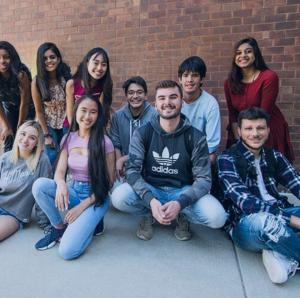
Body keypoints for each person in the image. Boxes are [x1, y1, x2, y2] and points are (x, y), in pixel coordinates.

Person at [111, 80, 227, 241]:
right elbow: (132, 171)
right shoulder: (143, 133)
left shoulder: (196, 137)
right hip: (151, 188)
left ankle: (182, 215)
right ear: (155, 104)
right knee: (119, 197)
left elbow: (204, 180)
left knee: (217, 217)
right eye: (162, 98)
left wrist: (181, 203)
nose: (167, 103)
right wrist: (150, 200)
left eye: (173, 97)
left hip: (182, 190)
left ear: (181, 102)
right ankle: (148, 213)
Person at [218, 107, 300, 284]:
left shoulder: (274, 156)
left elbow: (296, 183)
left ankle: (280, 252)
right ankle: (283, 243)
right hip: (247, 224)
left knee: (278, 223)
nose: (255, 134)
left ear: (268, 130)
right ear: (239, 131)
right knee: (268, 224)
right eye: (249, 128)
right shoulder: (227, 159)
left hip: (281, 212)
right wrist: (294, 221)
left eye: (260, 128)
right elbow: (247, 203)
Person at [32, 95, 115, 260]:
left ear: (98, 116)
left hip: (96, 198)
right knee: (40, 186)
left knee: (67, 252)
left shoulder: (105, 142)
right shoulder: (68, 138)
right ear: (76, 112)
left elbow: (109, 183)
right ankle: (58, 227)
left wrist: (80, 208)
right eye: (83, 110)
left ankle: (91, 224)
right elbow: (60, 171)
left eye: (93, 112)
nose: (87, 116)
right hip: (75, 191)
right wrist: (61, 184)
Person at [224, 37, 294, 162]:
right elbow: (233, 114)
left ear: (256, 54)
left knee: (268, 170)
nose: (243, 55)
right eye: (238, 53)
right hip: (241, 130)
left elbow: (264, 113)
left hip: (265, 127)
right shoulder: (229, 83)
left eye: (248, 51)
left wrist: (251, 137)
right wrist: (240, 140)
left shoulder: (269, 77)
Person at [0, 121, 52, 241]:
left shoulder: (42, 161)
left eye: (32, 138)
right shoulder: (6, 158)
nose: (25, 140)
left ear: (37, 143)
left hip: (13, 214)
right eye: (22, 134)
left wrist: (45, 224)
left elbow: (42, 195)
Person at [109, 76, 156, 181]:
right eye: (131, 93)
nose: (135, 96)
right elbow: (116, 144)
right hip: (125, 169)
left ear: (145, 95)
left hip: (149, 169)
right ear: (126, 95)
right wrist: (119, 165)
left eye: (139, 92)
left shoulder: (155, 116)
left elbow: (153, 147)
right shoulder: (118, 116)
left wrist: (123, 159)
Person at [32, 42, 72, 165]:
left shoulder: (66, 77)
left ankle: (64, 181)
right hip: (48, 124)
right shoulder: (37, 82)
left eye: (52, 57)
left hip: (66, 121)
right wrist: (46, 135)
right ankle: (51, 182)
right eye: (45, 58)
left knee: (67, 154)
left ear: (58, 59)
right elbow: (39, 111)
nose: (49, 61)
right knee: (52, 156)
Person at [178, 56, 221, 163]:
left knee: (211, 157)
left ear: (201, 79)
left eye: (195, 75)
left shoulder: (210, 104)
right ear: (180, 79)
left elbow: (212, 145)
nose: (189, 80)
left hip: (201, 154)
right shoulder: (173, 100)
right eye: (186, 75)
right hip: (176, 153)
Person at [66, 47, 113, 128]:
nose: (99, 68)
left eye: (104, 64)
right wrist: (77, 134)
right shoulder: (72, 84)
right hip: (72, 127)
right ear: (87, 63)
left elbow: (102, 112)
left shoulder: (104, 85)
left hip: (91, 126)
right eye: (96, 63)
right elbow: (70, 114)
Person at [0, 41, 33, 152]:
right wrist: (6, 126)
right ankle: (6, 168)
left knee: (24, 138)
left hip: (27, 108)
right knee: (9, 137)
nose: (2, 61)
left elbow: (25, 103)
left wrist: (20, 127)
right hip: (9, 107)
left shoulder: (21, 74)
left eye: (6, 57)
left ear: (12, 58)